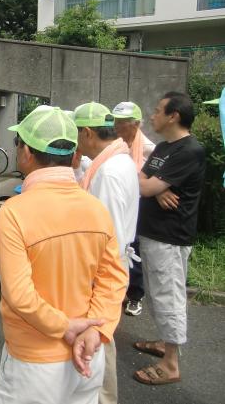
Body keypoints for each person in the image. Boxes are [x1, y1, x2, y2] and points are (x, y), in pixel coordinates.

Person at [0, 107, 127, 404]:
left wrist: (65, 326)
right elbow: (114, 279)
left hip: (34, 363)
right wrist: (97, 330)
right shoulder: (95, 208)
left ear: (26, 153)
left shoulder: (15, 212)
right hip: (88, 355)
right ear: (73, 155)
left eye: (18, 144)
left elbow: (19, 294)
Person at [133, 92, 206, 386]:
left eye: (158, 110)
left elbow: (145, 186)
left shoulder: (190, 150)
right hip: (153, 233)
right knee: (156, 292)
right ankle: (166, 342)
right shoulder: (164, 147)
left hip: (170, 237)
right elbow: (140, 178)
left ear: (173, 115)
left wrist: (153, 187)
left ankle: (171, 363)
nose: (152, 115)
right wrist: (157, 188)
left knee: (169, 296)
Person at [73, 102, 138, 404]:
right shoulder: (118, 160)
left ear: (87, 132)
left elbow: (105, 236)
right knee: (99, 339)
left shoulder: (108, 173)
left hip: (104, 270)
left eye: (76, 134)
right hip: (114, 264)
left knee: (99, 340)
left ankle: (103, 399)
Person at [112, 101, 156, 317]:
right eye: (115, 121)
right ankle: (117, 291)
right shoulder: (115, 143)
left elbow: (158, 180)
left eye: (122, 122)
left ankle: (136, 295)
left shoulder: (149, 149)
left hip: (139, 206)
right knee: (116, 246)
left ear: (136, 124)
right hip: (118, 202)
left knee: (134, 247)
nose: (117, 126)